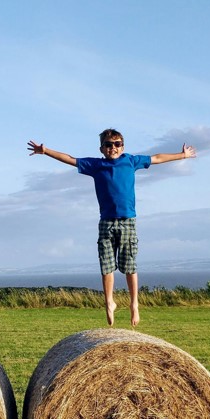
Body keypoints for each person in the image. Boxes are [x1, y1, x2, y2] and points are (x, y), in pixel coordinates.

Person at [27, 129, 196, 327]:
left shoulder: (131, 161)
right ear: (102, 148)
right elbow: (70, 159)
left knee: (129, 266)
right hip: (106, 222)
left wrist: (182, 155)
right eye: (108, 144)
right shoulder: (97, 165)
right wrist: (45, 151)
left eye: (117, 144)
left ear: (122, 146)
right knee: (106, 266)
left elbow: (157, 157)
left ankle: (134, 304)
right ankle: (109, 302)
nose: (113, 147)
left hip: (128, 221)